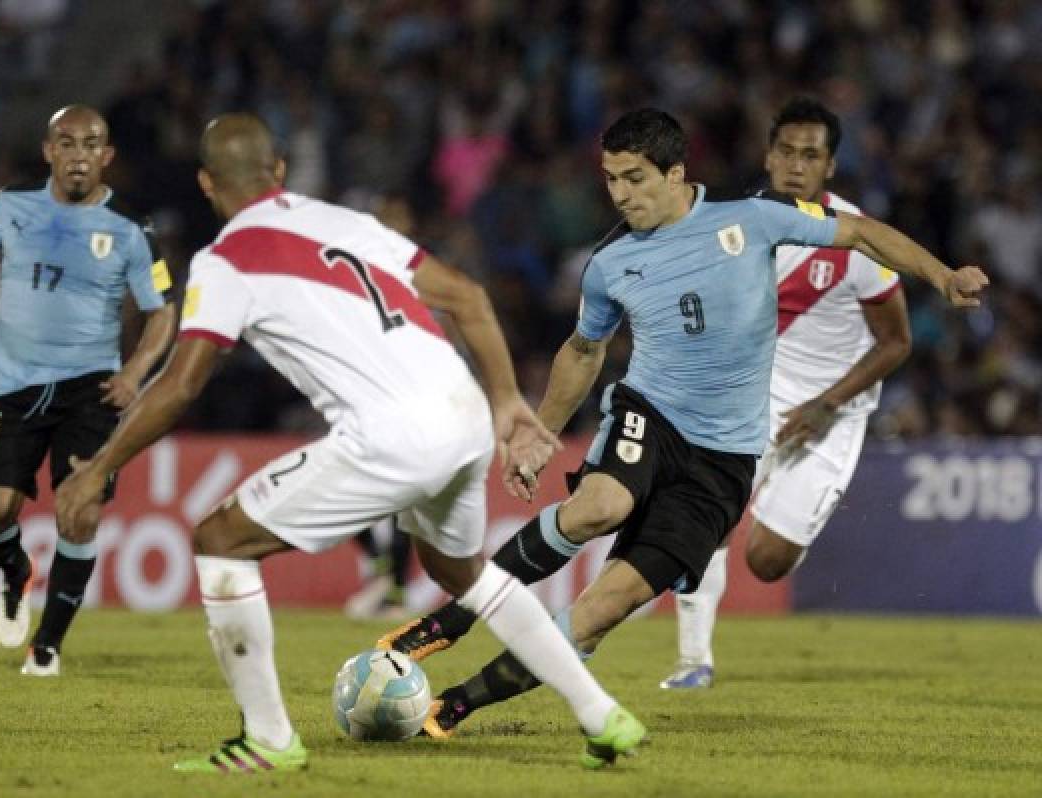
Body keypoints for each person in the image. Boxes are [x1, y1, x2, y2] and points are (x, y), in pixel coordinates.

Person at [54, 113, 647, 775]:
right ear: (278, 172)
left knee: (219, 541)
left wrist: (100, 466)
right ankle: (602, 715)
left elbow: (183, 383)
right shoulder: (345, 222)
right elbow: (469, 297)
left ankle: (268, 739)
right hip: (463, 414)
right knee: (463, 573)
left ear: (206, 183)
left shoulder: (223, 262)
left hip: (392, 433)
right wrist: (507, 400)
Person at [375, 108, 986, 738]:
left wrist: (942, 276)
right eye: (611, 179)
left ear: (676, 173)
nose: (620, 194)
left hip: (726, 460)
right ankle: (447, 624)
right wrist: (541, 432)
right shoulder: (610, 263)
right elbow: (584, 352)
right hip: (652, 415)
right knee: (598, 507)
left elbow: (860, 233)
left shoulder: (754, 219)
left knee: (600, 613)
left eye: (635, 178)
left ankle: (451, 707)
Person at [0, 105, 176, 676]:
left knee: (79, 511)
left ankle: (47, 646)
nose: (79, 154)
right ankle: (12, 570)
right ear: (48, 151)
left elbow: (163, 313)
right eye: (67, 142)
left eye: (91, 144)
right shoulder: (11, 205)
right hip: (11, 384)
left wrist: (134, 374)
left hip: (90, 389)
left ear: (107, 156)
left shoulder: (131, 229)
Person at [661, 98, 912, 689]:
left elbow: (896, 343)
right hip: (754, 396)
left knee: (767, 562)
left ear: (829, 168)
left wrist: (827, 403)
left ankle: (784, 506)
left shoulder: (857, 239)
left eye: (811, 155)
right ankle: (693, 662)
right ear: (768, 156)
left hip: (836, 407)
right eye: (787, 152)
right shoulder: (735, 227)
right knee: (707, 518)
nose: (796, 165)